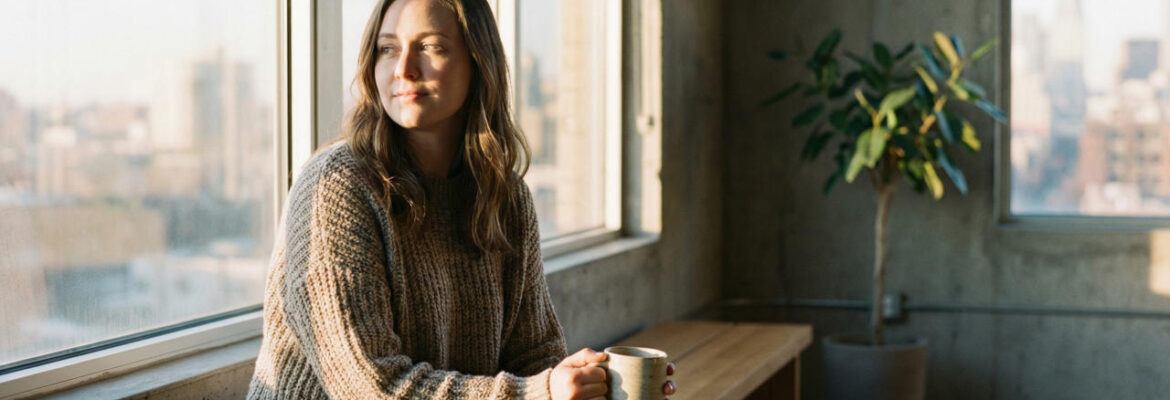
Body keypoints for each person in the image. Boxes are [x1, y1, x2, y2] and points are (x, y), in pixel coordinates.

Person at [246, 0, 675, 398]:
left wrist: (593, 383)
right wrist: (536, 393)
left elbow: (533, 356)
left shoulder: (505, 198)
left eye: (431, 47)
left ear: (477, 59)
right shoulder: (337, 187)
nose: (405, 69)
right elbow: (371, 387)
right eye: (388, 49)